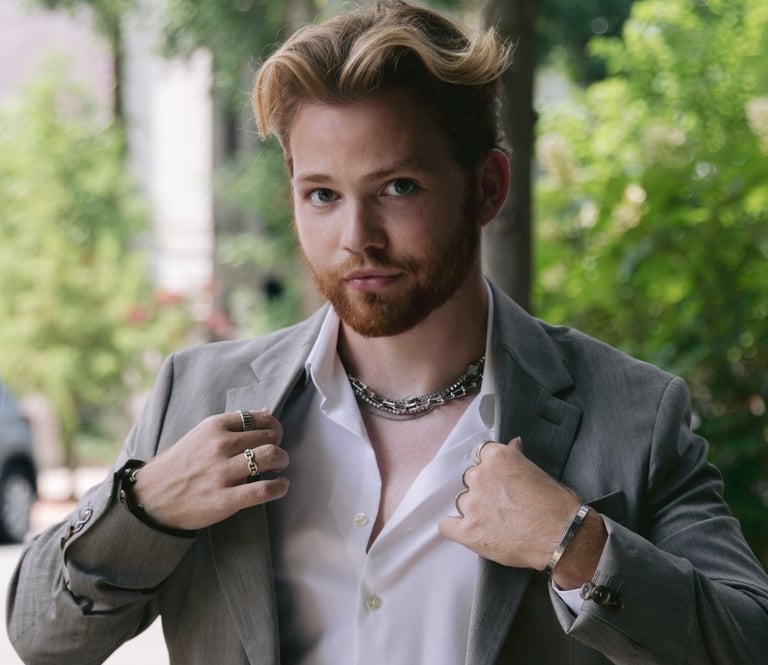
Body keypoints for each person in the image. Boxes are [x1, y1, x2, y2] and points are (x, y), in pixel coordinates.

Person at [7, 1, 768, 663]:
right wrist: (145, 506)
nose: (356, 237)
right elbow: (40, 636)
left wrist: (577, 546)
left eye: (397, 187)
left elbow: (748, 641)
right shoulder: (196, 393)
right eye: (323, 195)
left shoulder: (632, 411)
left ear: (488, 187)